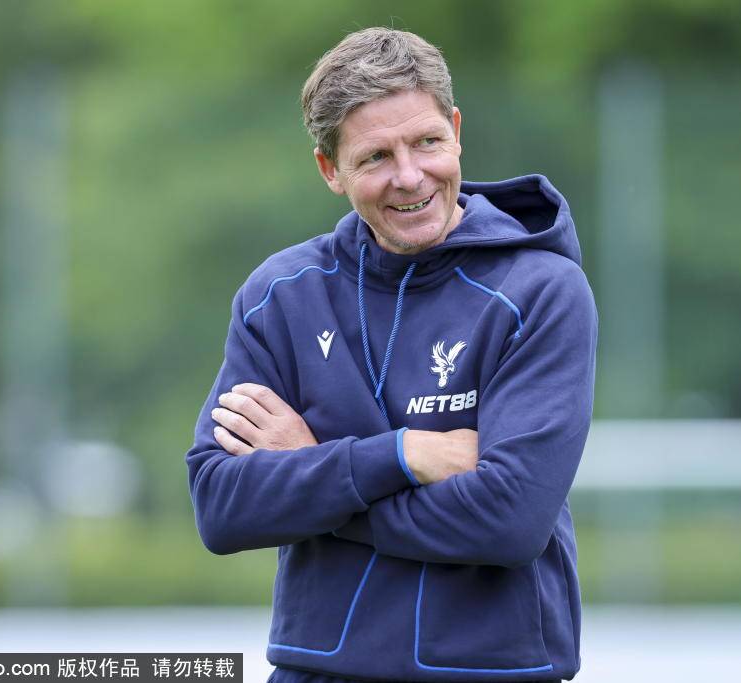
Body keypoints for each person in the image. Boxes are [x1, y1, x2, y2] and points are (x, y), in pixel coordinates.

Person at [186, 27, 597, 683]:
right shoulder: (280, 295)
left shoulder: (541, 291)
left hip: (493, 672)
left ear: (455, 131)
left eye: (427, 142)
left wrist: (314, 470)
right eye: (376, 156)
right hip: (314, 670)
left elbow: (510, 521)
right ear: (330, 169)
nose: (409, 176)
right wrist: (404, 454)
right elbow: (221, 506)